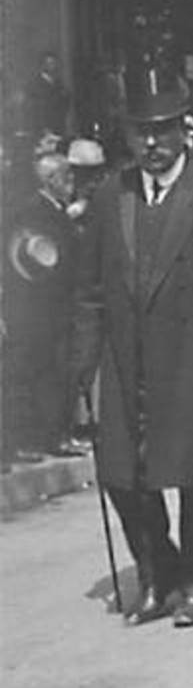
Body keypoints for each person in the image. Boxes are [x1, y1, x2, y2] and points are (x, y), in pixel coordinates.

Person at [69, 63, 193, 628]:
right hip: (127, 363)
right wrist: (83, 374)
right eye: (139, 132)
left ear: (185, 129)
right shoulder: (113, 196)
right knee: (122, 475)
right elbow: (88, 293)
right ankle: (158, 573)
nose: (151, 144)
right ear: (127, 137)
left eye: (162, 130)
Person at [2, 154, 81, 463]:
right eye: (67, 178)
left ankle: (54, 435)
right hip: (35, 307)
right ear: (52, 180)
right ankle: (33, 439)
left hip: (55, 306)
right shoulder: (33, 210)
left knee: (56, 372)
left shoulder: (55, 211)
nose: (71, 185)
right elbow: (34, 259)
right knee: (34, 371)